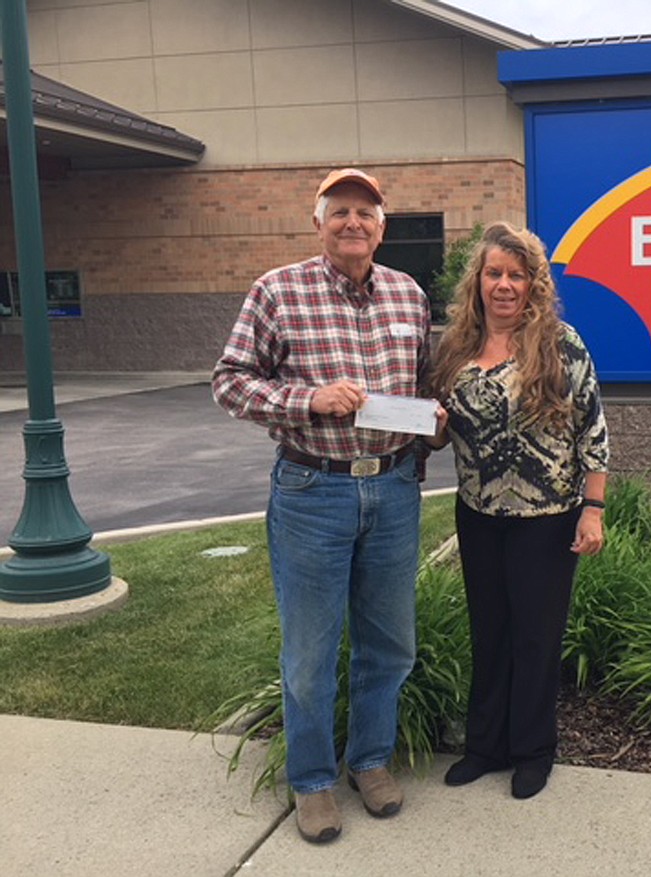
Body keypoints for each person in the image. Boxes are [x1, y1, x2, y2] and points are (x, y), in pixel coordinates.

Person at [212, 168, 433, 844]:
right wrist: (306, 400)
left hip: (392, 487)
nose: (353, 223)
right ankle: (311, 779)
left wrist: (433, 423)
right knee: (310, 649)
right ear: (319, 222)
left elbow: (422, 383)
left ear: (382, 225)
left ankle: (368, 760)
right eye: (340, 211)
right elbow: (229, 382)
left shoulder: (408, 292)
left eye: (365, 213)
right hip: (314, 490)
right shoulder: (277, 291)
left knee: (390, 643)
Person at [425, 221, 609, 800]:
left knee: (536, 636)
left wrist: (593, 509)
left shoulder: (561, 343)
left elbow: (593, 431)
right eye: (494, 273)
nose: (504, 285)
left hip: (547, 518)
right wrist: (431, 433)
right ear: (477, 281)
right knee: (491, 631)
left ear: (533, 284)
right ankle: (486, 746)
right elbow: (440, 432)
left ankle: (533, 751)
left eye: (516, 275)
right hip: (478, 514)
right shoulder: (454, 347)